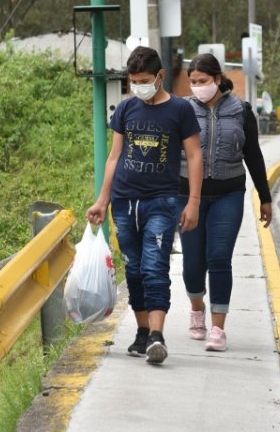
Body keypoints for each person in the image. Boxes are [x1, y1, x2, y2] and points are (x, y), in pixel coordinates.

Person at [86, 46, 203, 365]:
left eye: (144, 80)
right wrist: (102, 200)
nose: (138, 85)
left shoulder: (180, 110)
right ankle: (141, 333)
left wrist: (192, 202)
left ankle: (157, 336)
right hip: (124, 203)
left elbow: (194, 156)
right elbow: (114, 158)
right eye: (133, 80)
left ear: (160, 76)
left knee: (155, 267)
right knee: (134, 270)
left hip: (162, 203)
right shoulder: (125, 110)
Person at [178, 54, 273, 351]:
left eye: (203, 81)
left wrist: (265, 196)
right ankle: (197, 309)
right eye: (193, 82)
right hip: (186, 196)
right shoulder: (182, 110)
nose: (197, 87)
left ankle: (218, 329)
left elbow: (253, 155)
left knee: (219, 257)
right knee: (193, 262)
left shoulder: (241, 110)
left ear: (217, 80)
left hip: (228, 194)